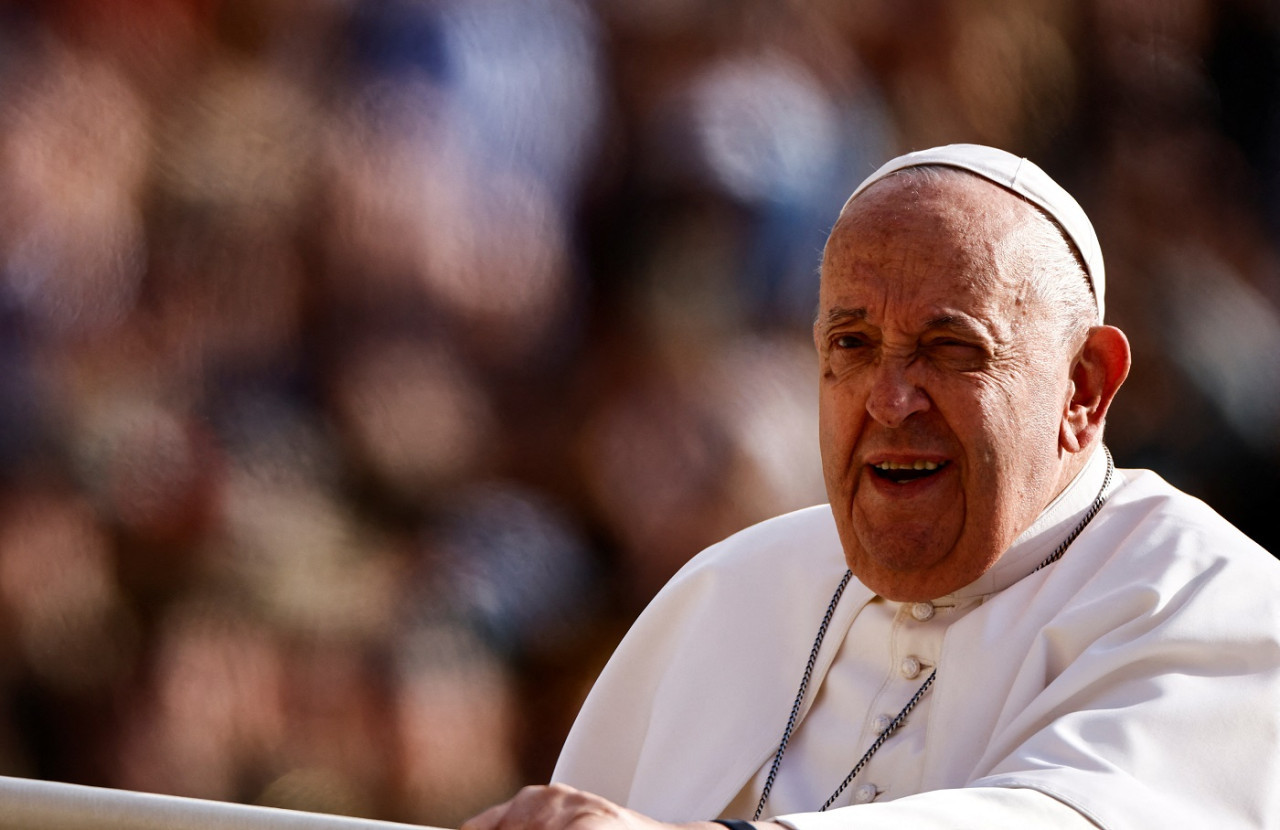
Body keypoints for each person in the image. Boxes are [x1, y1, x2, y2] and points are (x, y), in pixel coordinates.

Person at [461, 144, 1280, 830]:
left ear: (1083, 388)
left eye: (950, 348)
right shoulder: (730, 590)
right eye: (852, 345)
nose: (890, 400)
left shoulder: (1212, 601)